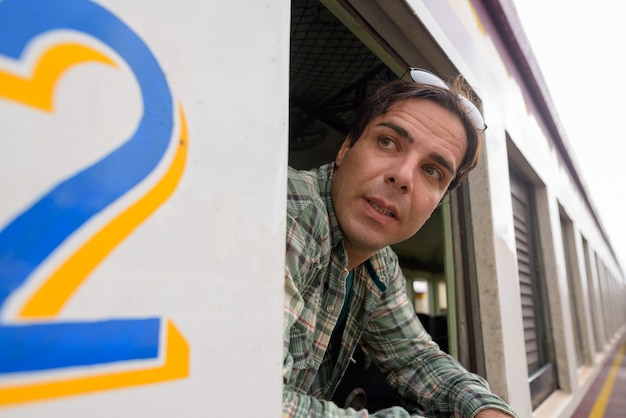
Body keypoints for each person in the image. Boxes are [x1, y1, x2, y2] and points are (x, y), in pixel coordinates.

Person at [283, 68, 517, 418]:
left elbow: (415, 358)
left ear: (437, 202)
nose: (403, 176)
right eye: (388, 142)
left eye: (432, 171)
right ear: (346, 148)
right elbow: (241, 397)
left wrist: (487, 409)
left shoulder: (379, 265)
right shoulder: (288, 212)